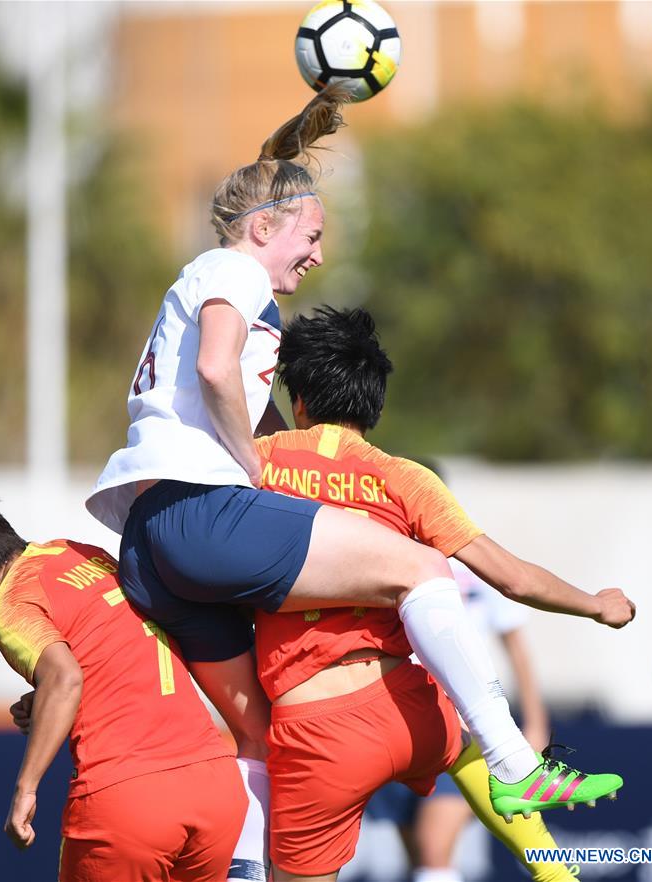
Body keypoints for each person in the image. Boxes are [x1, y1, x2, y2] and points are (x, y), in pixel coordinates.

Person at [85, 84, 634, 836]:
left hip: (149, 540)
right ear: (263, 225)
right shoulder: (234, 272)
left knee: (252, 736)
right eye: (309, 234)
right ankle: (513, 765)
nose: (317, 252)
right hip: (198, 511)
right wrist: (250, 465)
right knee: (419, 568)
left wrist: (267, 452)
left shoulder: (218, 288)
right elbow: (217, 372)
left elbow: (234, 392)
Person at [252, 305, 630, 881]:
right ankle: (558, 868)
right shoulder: (406, 479)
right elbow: (514, 578)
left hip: (317, 722)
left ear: (298, 400)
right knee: (476, 749)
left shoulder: (257, 464)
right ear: (374, 402)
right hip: (408, 703)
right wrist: (596, 604)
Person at [0, 478, 248, 882]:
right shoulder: (74, 554)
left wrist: (25, 789)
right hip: (214, 787)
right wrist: (46, 698)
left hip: (128, 800)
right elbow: (114, 641)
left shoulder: (11, 607)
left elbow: (65, 678)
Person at [369, 465, 551, 882]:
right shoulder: (379, 565)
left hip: (466, 731)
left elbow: (518, 647)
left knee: (435, 851)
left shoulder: (474, 565)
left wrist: (536, 723)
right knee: (418, 858)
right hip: (402, 727)